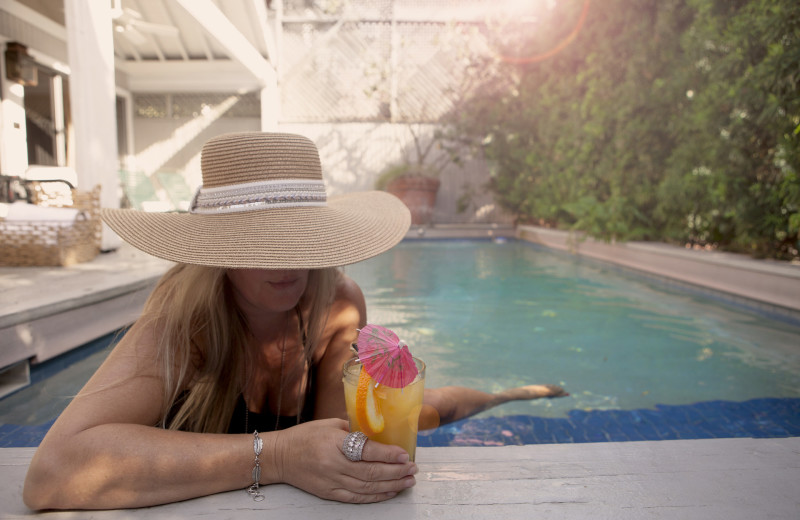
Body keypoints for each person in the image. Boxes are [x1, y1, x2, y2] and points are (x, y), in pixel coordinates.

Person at [23, 132, 567, 510]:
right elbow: (53, 473)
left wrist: (362, 457)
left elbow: (340, 445)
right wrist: (278, 455)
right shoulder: (184, 320)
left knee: (429, 409)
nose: (289, 263)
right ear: (218, 251)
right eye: (262, 241)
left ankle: (511, 394)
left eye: (301, 237)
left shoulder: (336, 302)